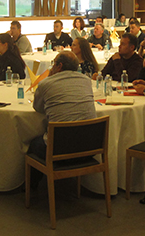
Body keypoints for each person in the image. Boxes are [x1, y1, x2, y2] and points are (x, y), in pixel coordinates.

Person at [28, 52, 97, 184]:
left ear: (59, 66)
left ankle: (31, 189)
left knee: (32, 143)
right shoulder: (86, 81)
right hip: (90, 148)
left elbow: (38, 109)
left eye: (53, 64)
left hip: (57, 151)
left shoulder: (46, 83)